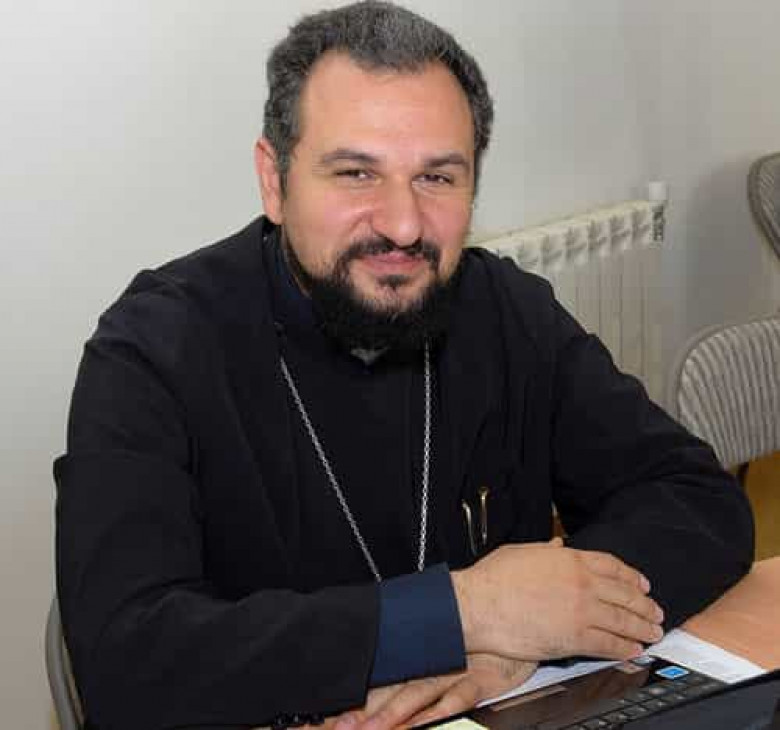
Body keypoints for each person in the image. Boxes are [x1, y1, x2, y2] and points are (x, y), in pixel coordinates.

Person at [54, 2, 753, 729]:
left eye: (438, 177)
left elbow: (698, 500)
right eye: (356, 172)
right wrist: (467, 611)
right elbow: (126, 661)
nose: (403, 224)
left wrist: (520, 644)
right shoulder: (154, 348)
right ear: (274, 179)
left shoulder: (503, 309)